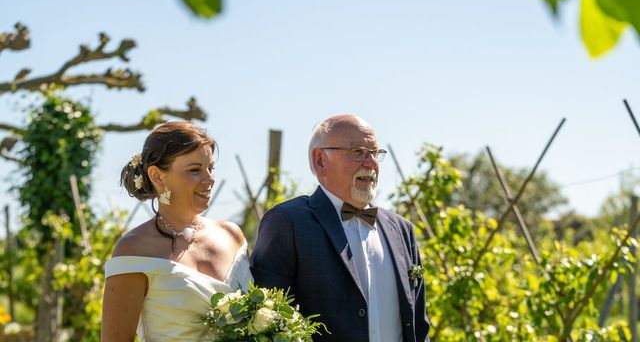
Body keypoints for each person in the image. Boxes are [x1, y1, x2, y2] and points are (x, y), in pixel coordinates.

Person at [251, 114, 430, 342]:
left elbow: (419, 327)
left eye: (375, 153)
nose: (371, 163)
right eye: (358, 152)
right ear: (320, 161)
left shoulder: (402, 230)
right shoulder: (287, 222)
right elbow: (268, 323)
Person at [101, 121, 251, 342]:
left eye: (211, 168)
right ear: (157, 176)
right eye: (195, 170)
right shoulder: (134, 250)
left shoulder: (231, 236)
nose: (209, 179)